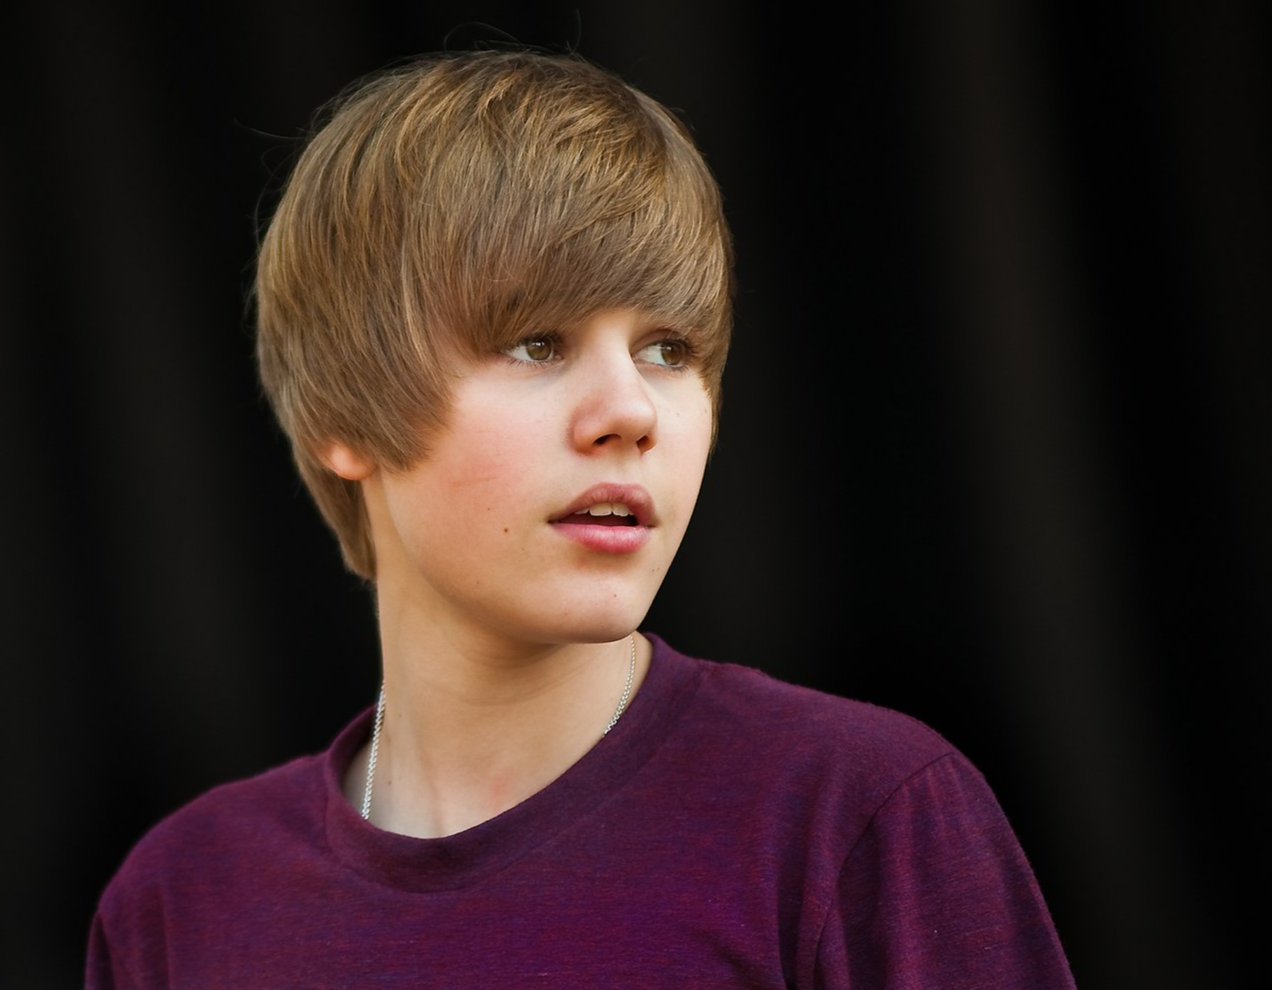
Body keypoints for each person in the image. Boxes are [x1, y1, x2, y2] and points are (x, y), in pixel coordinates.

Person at [87, 49, 1076, 988]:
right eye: (535, 342)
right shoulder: (178, 905)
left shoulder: (857, 816)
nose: (631, 411)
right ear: (343, 419)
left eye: (669, 349)